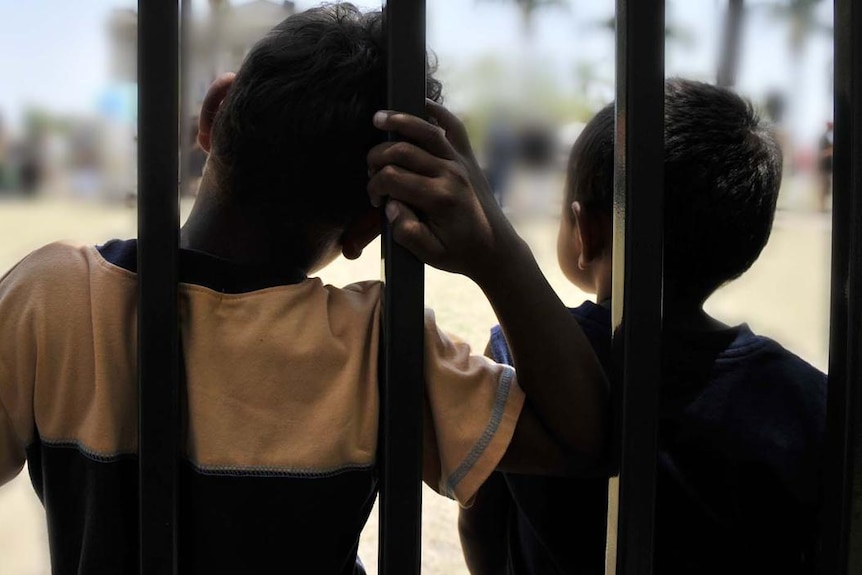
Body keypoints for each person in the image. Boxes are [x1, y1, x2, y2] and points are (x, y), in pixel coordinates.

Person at [0, 5, 608, 574]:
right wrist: (494, 248)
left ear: (213, 115)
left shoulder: (54, 297)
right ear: (370, 227)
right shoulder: (378, 344)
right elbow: (585, 437)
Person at [386, 79, 824, 574]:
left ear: (586, 230)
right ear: (751, 241)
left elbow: (482, 525)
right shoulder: (807, 399)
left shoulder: (519, 357)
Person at [817, 120, 833, 212]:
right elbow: (821, 153)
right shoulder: (823, 138)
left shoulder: (827, 138)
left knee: (826, 188)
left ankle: (822, 207)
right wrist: (830, 151)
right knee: (823, 188)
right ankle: (821, 208)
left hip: (827, 168)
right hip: (823, 167)